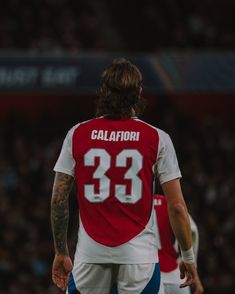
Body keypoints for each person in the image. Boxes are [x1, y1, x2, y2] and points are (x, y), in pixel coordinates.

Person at [50, 58, 201, 294]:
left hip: (90, 255)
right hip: (139, 257)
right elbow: (178, 207)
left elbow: (59, 199)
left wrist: (61, 251)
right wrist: (189, 257)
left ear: (103, 92)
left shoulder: (77, 133)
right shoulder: (157, 138)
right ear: (139, 91)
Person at [154, 194, 204, 294]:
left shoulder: (137, 203)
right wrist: (192, 266)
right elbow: (192, 230)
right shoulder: (168, 202)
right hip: (175, 277)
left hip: (147, 274)